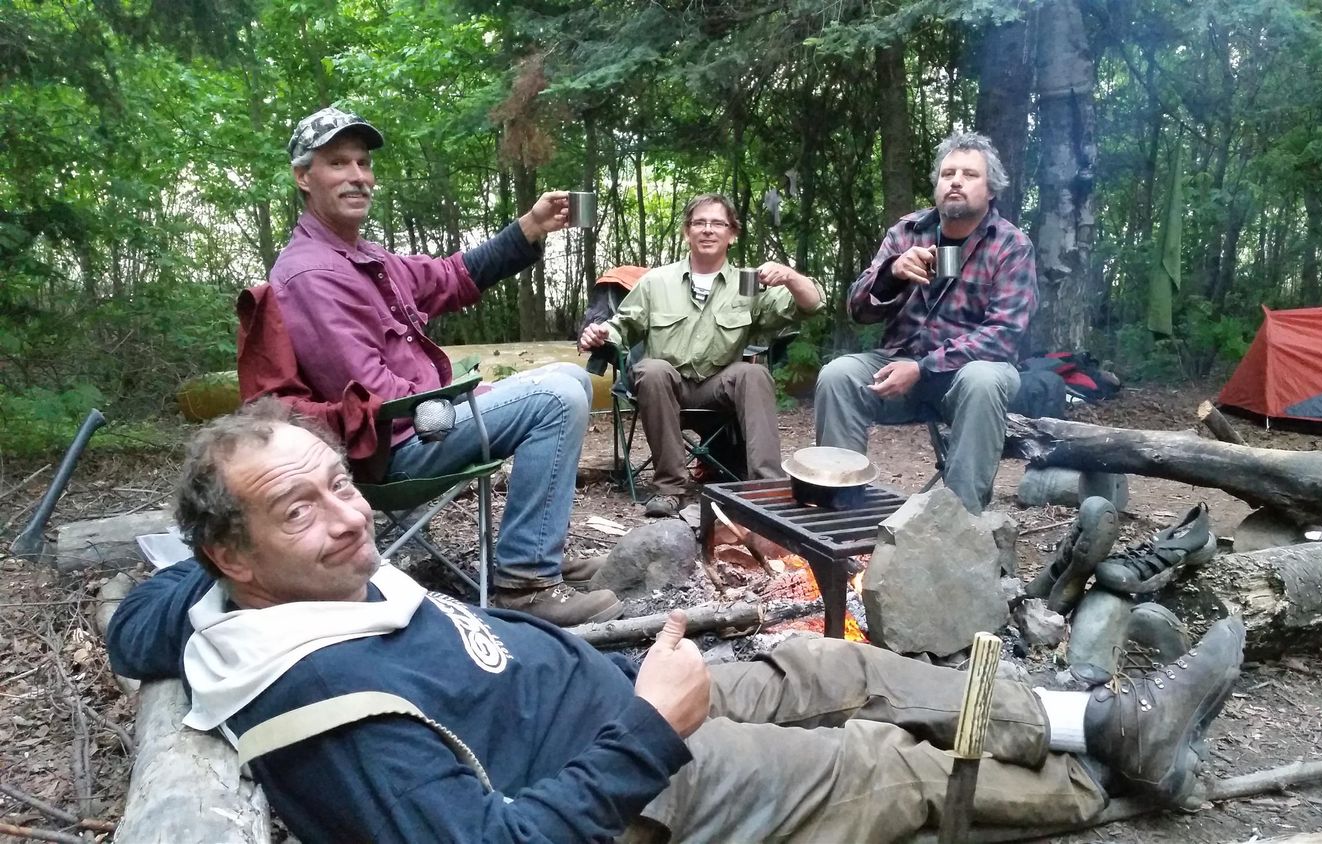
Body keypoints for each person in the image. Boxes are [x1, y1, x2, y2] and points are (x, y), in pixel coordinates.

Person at [106, 400, 1246, 843]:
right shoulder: (326, 707)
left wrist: (640, 699)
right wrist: (652, 729)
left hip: (615, 708)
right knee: (869, 761)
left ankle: (1104, 721)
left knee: (824, 661)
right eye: (297, 509)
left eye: (338, 484)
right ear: (236, 555)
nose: (349, 516)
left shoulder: (244, 594)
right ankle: (1108, 785)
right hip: (635, 783)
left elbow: (143, 620)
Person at [245, 106, 619, 625]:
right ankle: (526, 582)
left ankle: (538, 551)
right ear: (304, 177)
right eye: (338, 163)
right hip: (395, 445)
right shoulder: (311, 273)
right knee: (556, 398)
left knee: (572, 376)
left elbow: (450, 276)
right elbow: (373, 393)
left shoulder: (365, 257)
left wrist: (531, 226)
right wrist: (467, 398)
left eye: (363, 163)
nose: (357, 175)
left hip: (425, 423)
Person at [814, 130, 1037, 515]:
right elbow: (857, 310)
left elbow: (1003, 335)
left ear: (990, 190)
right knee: (838, 375)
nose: (956, 181)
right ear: (936, 186)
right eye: (948, 173)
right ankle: (839, 508)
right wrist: (892, 273)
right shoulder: (906, 232)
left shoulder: (1011, 245)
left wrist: (923, 367)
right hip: (900, 363)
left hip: (968, 377)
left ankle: (958, 521)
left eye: (969, 174)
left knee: (983, 379)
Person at [578, 194, 823, 518]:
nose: (708, 229)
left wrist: (790, 276)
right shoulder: (657, 281)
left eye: (718, 223)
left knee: (753, 373)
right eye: (700, 223)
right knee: (652, 370)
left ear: (732, 234)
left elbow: (811, 306)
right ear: (687, 231)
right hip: (665, 387)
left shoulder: (747, 284)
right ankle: (670, 489)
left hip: (718, 388)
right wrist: (600, 334)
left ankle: (766, 490)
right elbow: (620, 327)